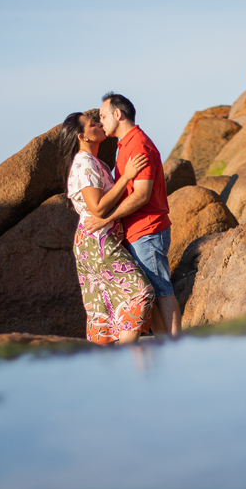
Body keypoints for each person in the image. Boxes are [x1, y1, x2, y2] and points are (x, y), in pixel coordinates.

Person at [81, 92, 182, 338]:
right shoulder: (125, 145)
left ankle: (178, 350)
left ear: (118, 114)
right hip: (137, 231)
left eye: (103, 116)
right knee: (153, 293)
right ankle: (165, 346)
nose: (101, 122)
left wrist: (105, 219)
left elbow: (142, 195)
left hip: (147, 229)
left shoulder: (138, 144)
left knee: (161, 290)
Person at [60, 110, 155, 345]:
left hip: (97, 241)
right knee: (141, 293)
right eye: (93, 123)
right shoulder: (85, 164)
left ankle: (112, 373)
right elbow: (98, 208)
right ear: (83, 136)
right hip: (97, 243)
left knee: (104, 310)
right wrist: (127, 177)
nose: (99, 124)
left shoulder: (94, 162)